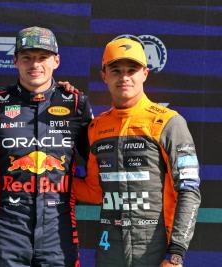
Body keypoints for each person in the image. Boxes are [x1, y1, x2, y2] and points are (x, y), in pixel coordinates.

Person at [0, 26, 93, 267]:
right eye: (27, 57)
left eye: (43, 57)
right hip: (8, 232)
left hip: (59, 233)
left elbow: (98, 162)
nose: (35, 64)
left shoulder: (76, 103)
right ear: (15, 61)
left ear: (56, 61)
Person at [73, 37, 201, 267]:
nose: (124, 77)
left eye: (132, 70)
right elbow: (94, 191)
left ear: (145, 73)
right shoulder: (96, 128)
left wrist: (176, 253)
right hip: (109, 249)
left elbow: (189, 191)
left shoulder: (168, 123)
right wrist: (47, 178)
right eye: (116, 70)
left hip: (156, 249)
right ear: (104, 74)